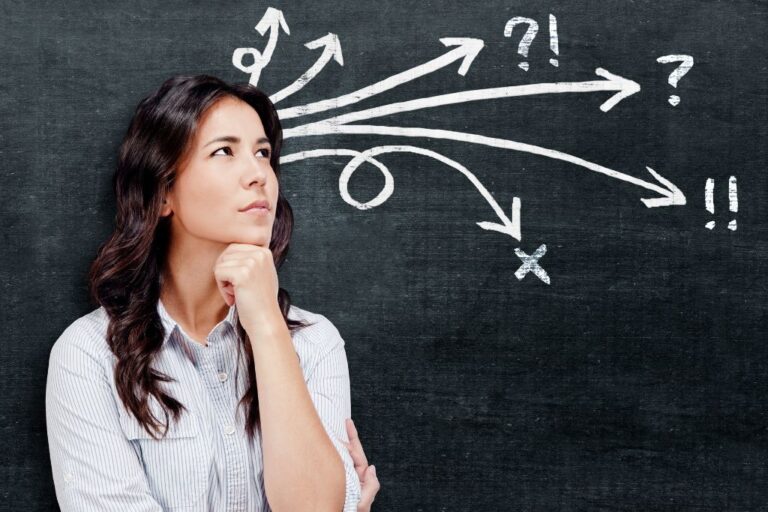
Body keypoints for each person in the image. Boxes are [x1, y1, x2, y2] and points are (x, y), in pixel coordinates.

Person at [45, 74, 380, 511]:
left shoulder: (314, 343)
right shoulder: (90, 356)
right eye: (224, 151)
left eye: (263, 153)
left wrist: (265, 325)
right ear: (164, 191)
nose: (259, 174)